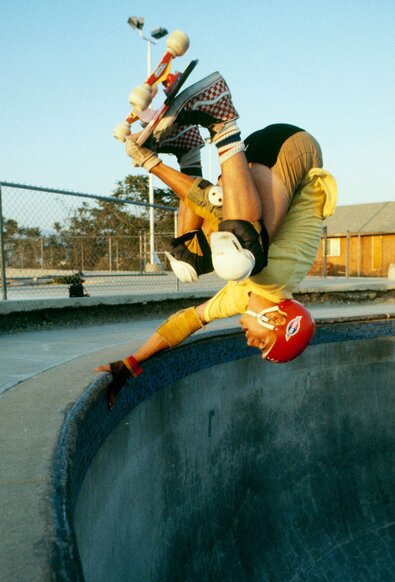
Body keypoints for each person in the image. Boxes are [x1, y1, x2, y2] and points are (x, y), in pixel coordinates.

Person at [96, 72, 337, 408]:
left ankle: (189, 149)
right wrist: (149, 162)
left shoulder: (240, 300)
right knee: (239, 256)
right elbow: (213, 209)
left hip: (254, 162)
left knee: (188, 261)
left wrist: (132, 363)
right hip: (294, 149)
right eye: (265, 343)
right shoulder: (275, 277)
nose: (252, 344)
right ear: (278, 321)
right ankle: (222, 117)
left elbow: (187, 322)